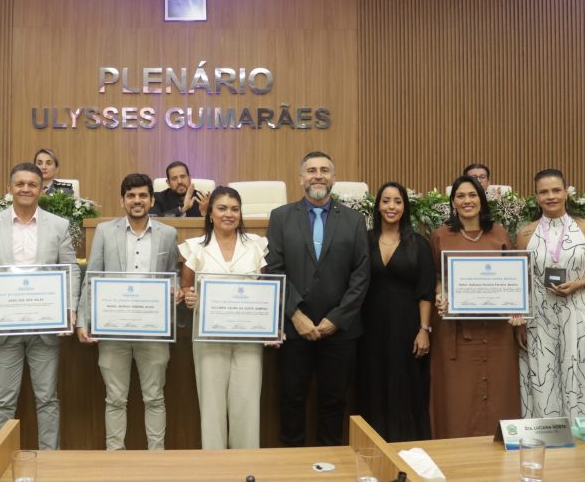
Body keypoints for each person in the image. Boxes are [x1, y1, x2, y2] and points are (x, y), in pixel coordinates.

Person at [0, 162, 80, 450]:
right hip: (4, 326)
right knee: (3, 399)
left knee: (48, 398)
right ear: (9, 188)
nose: (26, 188)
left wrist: (70, 308)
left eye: (32, 184)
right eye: (20, 184)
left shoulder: (58, 225)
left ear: (41, 189)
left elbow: (71, 270)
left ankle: (50, 460)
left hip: (47, 325)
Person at [265, 151, 370, 446]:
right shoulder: (281, 217)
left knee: (334, 402)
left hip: (339, 330)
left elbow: (361, 275)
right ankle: (293, 466)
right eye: (311, 170)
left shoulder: (353, 220)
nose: (318, 175)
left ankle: (330, 464)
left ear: (334, 178)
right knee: (291, 400)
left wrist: (335, 319)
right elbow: (275, 270)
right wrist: (296, 316)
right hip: (294, 327)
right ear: (301, 179)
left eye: (324, 170)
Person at [76, 173, 178, 450]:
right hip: (113, 329)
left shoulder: (168, 234)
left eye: (143, 195)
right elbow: (92, 276)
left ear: (152, 200)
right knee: (115, 398)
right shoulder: (105, 232)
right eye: (131, 195)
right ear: (123, 200)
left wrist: (175, 288)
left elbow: (173, 274)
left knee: (155, 397)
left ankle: (157, 459)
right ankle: (114, 459)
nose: (137, 200)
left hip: (153, 331)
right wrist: (83, 320)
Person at [517, 169, 585, 422]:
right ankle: (548, 438)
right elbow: (521, 281)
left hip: (578, 313)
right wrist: (520, 320)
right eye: (543, 192)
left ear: (566, 192)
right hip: (539, 318)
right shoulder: (525, 234)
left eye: (556, 190)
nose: (550, 196)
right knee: (544, 376)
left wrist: (579, 283)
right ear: (536, 196)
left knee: (581, 373)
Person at [429, 175, 520, 439]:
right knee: (458, 401)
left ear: (481, 199)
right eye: (460, 196)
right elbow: (435, 277)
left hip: (496, 333)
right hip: (456, 331)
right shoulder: (440, 236)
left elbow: (514, 277)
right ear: (453, 202)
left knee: (498, 397)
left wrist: (517, 308)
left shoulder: (499, 233)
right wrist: (440, 296)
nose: (467, 201)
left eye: (472, 195)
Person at [179, 186, 269, 449]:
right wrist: (188, 296)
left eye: (234, 209)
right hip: (209, 337)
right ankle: (215, 467)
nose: (228, 214)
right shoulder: (194, 248)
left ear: (241, 213)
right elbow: (186, 288)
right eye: (222, 208)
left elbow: (266, 289)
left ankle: (245, 465)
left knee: (247, 403)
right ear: (210, 213)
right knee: (212, 405)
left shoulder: (255, 245)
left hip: (248, 336)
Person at [358, 181, 434, 442]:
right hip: (369, 327)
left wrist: (423, 330)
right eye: (386, 200)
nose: (391, 206)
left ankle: (406, 450)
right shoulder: (364, 240)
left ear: (405, 206)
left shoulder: (419, 244)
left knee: (405, 387)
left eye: (398, 201)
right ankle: (371, 447)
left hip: (406, 327)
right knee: (371, 384)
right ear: (378, 206)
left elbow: (426, 292)